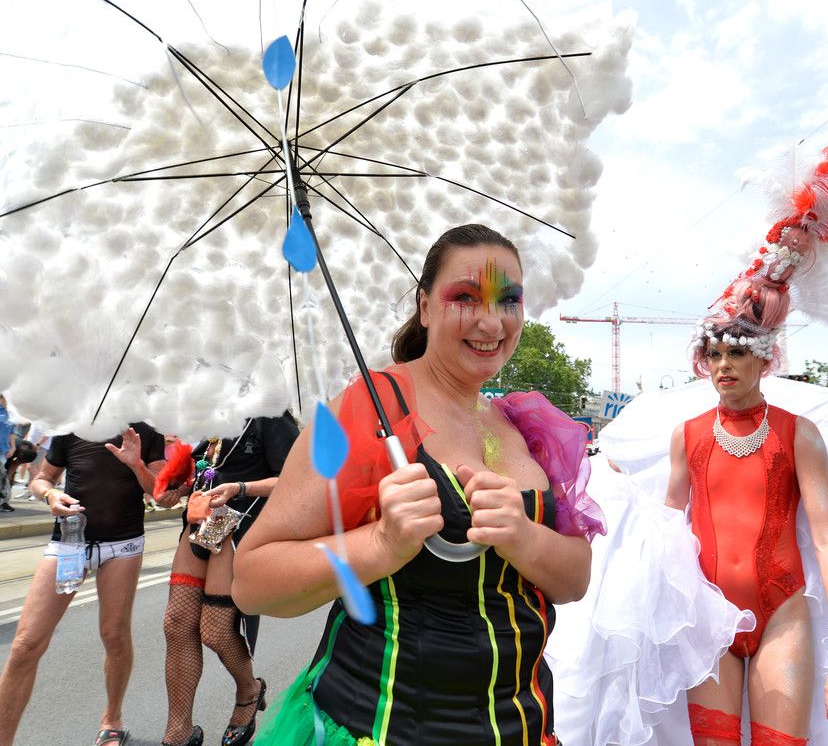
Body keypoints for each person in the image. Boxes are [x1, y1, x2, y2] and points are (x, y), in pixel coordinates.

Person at [232, 223, 604, 745]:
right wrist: (380, 544)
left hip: (525, 727)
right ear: (425, 307)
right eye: (465, 297)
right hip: (380, 727)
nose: (491, 321)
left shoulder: (525, 425)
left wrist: (523, 536)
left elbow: (574, 581)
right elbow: (252, 582)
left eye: (509, 300)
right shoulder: (369, 410)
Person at [666, 145, 828, 744]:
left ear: (765, 358)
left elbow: (827, 538)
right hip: (708, 617)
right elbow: (665, 533)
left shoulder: (800, 434)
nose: (723, 364)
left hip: (783, 616)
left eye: (736, 352)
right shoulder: (686, 436)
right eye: (713, 353)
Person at [0, 423, 166, 746]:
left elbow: (159, 493)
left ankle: (112, 719)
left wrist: (136, 464)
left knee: (114, 634)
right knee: (25, 644)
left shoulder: (147, 429)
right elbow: (42, 478)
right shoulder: (72, 425)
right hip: (69, 541)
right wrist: (50, 494)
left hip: (122, 544)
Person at [155, 413, 299, 746]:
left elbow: (297, 480)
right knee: (176, 623)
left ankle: (249, 691)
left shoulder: (270, 414)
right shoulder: (208, 409)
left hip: (241, 526)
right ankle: (178, 733)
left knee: (215, 632)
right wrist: (178, 488)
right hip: (202, 523)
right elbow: (205, 469)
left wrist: (241, 487)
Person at [0, 394, 17, 512]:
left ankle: (3, 502)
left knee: (2, 476)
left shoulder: (11, 413)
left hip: (4, 450)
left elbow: (12, 432)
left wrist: (13, 447)